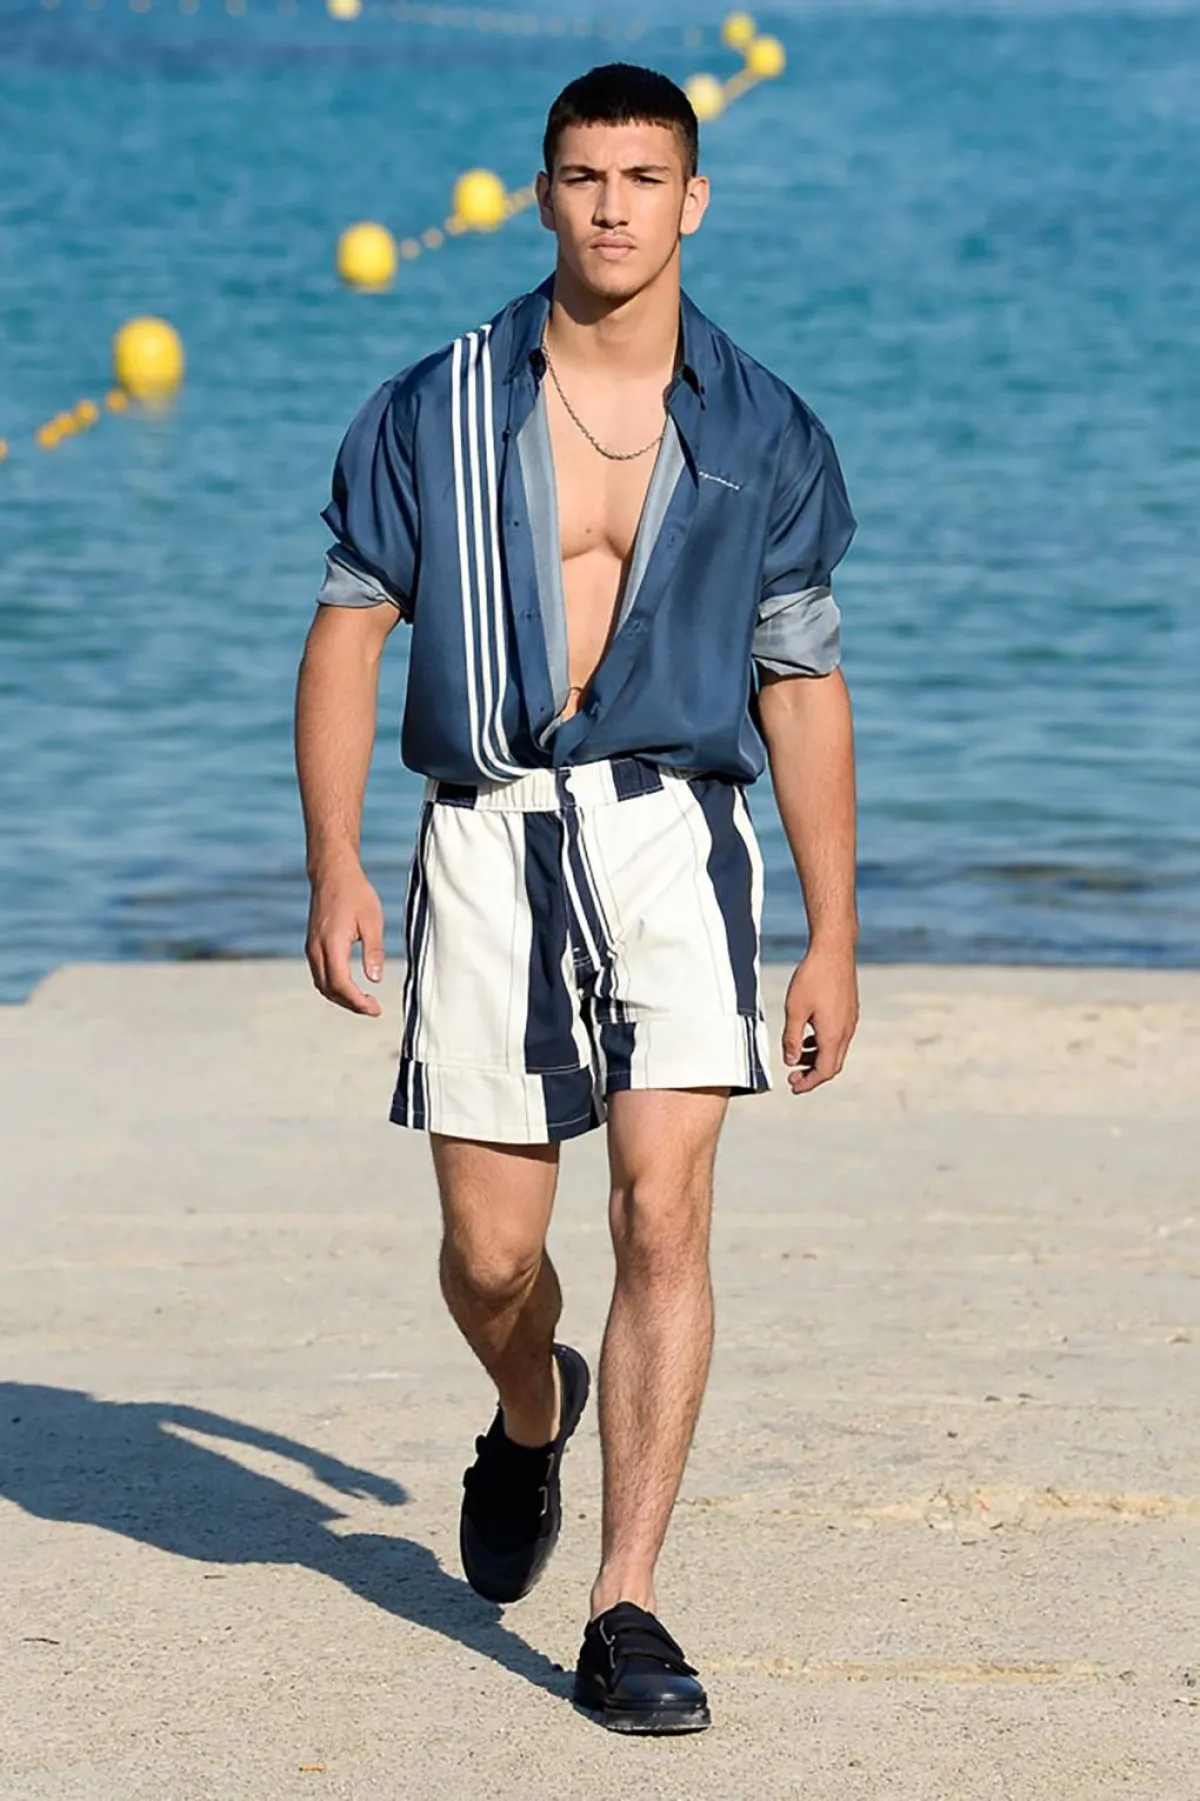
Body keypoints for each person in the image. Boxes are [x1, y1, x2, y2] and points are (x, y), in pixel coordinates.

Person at [295, 62, 859, 1735]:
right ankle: (529, 1405)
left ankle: (625, 1605)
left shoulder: (763, 429)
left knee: (661, 1217)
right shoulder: (435, 405)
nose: (613, 206)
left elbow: (803, 684)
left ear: (694, 200)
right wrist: (333, 861)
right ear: (543, 196)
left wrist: (834, 931)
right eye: (584, 176)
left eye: (643, 177)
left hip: (677, 836)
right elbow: (348, 634)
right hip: (485, 837)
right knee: (492, 1256)